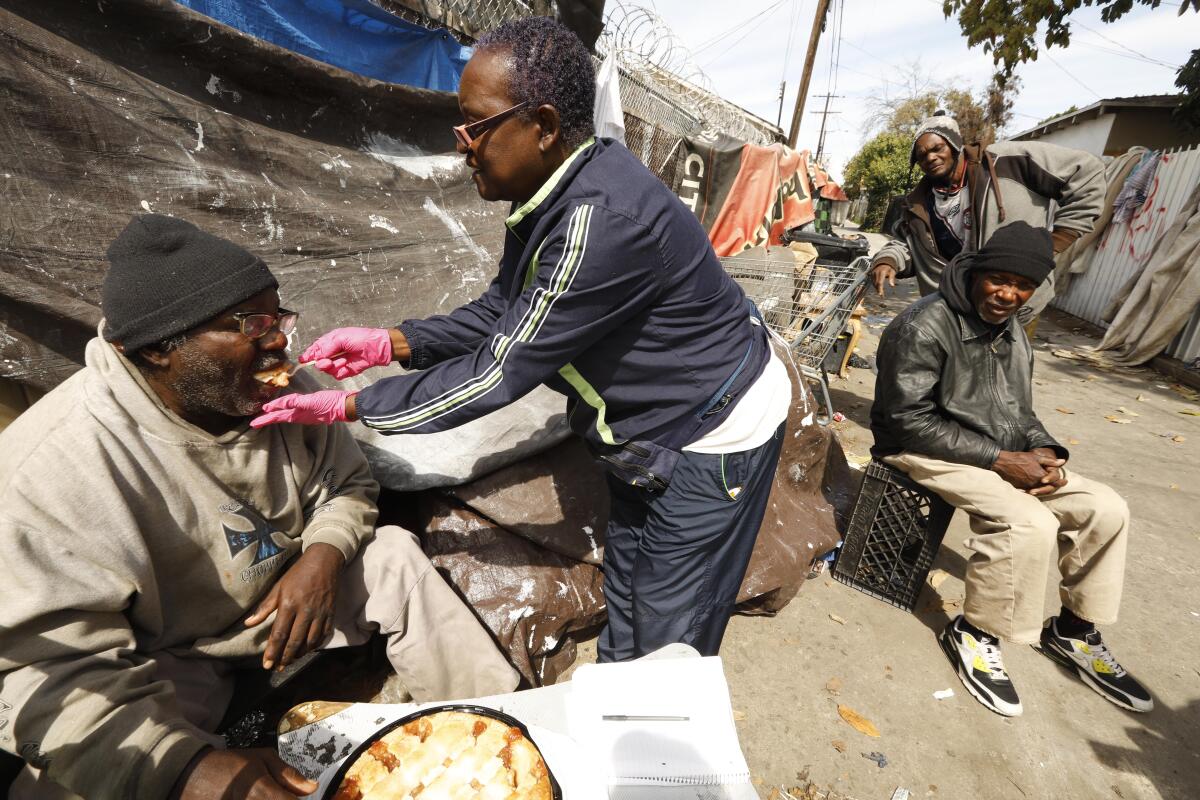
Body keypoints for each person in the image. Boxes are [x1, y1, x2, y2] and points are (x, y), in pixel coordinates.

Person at [252, 17, 790, 664]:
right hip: (644, 429)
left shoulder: (598, 225)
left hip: (711, 432)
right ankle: (620, 701)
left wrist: (351, 407)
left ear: (542, 126)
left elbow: (499, 371)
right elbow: (502, 311)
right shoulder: (547, 190)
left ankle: (652, 743)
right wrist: (390, 343)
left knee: (670, 643)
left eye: (475, 125)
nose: (461, 145)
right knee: (630, 600)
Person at [0, 214, 519, 800]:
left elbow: (349, 483)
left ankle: (506, 734)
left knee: (392, 556)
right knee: (61, 779)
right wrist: (190, 771)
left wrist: (322, 557)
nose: (278, 341)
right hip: (171, 661)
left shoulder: (282, 386)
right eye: (249, 324)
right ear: (155, 351)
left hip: (290, 617)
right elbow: (48, 673)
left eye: (277, 318)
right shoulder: (52, 469)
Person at [870, 222, 1151, 717]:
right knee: (1028, 522)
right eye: (998, 279)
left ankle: (1073, 630)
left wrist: (1044, 450)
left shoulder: (1012, 330)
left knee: (1105, 508)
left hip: (992, 450)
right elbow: (905, 420)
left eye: (1022, 286)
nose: (1008, 294)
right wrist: (1001, 460)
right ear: (977, 272)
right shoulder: (923, 325)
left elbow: (1017, 411)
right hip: (919, 447)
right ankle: (976, 632)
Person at [870, 112, 1106, 326]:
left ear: (954, 145)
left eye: (937, 148)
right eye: (921, 156)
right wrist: (888, 260)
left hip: (1015, 309)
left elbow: (1086, 171)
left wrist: (1051, 244)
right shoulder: (920, 203)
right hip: (955, 312)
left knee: (1006, 371)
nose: (930, 157)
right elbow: (908, 246)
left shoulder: (1008, 162)